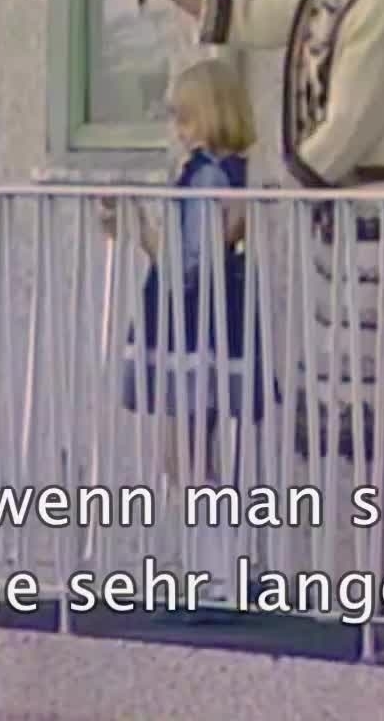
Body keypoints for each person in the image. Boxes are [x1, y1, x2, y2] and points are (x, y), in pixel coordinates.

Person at [128, 0, 384, 534]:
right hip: (345, 219)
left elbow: (347, 127)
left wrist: (267, 193)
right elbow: (242, 16)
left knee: (378, 402)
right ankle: (366, 558)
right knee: (351, 402)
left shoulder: (383, 2)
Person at [102, 57, 268, 486]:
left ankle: (210, 526)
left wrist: (139, 229)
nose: (178, 130)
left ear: (212, 115)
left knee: (185, 458)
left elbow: (189, 263)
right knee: (193, 450)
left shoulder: (207, 175)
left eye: (186, 118)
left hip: (193, 323)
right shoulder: (234, 172)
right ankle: (213, 521)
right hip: (211, 319)